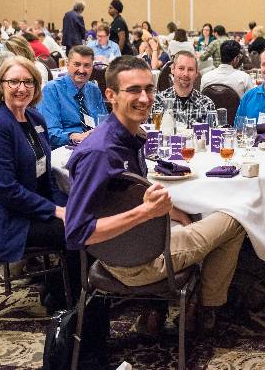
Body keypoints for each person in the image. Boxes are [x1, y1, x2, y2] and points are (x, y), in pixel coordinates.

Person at [65, 56, 245, 329]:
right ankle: (203, 307)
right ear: (110, 95)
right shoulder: (100, 152)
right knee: (237, 218)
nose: (145, 98)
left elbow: (133, 195)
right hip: (132, 261)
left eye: (149, 89)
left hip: (135, 244)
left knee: (192, 216)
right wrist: (145, 212)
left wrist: (171, 212)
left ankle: (159, 307)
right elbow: (77, 232)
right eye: (134, 90)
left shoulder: (129, 137)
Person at [0, 55, 75, 306]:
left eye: (28, 82)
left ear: (37, 87)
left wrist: (67, 205)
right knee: (78, 230)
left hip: (28, 209)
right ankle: (65, 301)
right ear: (1, 85)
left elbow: (44, 175)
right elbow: (7, 191)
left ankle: (60, 288)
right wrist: (55, 210)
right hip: (5, 219)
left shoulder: (35, 119)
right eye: (13, 81)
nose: (21, 88)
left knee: (81, 215)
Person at [38, 45, 105, 148]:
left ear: (92, 67)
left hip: (95, 145)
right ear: (67, 64)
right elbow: (49, 132)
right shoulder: (52, 90)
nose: (82, 70)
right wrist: (75, 137)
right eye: (77, 64)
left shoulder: (94, 90)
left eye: (87, 65)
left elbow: (104, 122)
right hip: (66, 148)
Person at [154, 51, 216, 124]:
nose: (185, 74)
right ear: (172, 70)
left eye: (190, 69)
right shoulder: (158, 102)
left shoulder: (206, 104)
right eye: (181, 68)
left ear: (196, 73)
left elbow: (212, 134)